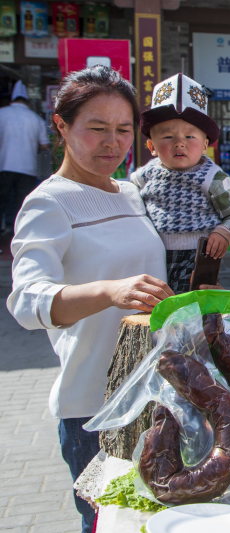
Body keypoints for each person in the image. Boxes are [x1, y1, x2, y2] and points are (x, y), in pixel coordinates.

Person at [6, 66, 177, 533]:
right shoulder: (50, 202)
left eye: (123, 130)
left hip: (153, 394)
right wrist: (109, 291)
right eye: (96, 129)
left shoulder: (130, 192)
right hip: (94, 409)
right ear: (61, 126)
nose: (112, 143)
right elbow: (27, 300)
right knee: (111, 523)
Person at [131, 73, 230, 293]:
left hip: (198, 258)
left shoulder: (212, 178)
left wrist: (224, 232)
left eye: (190, 137)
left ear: (205, 145)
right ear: (151, 147)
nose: (179, 143)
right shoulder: (144, 176)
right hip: (153, 257)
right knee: (156, 310)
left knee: (192, 312)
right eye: (167, 137)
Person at [0, 80, 50, 232]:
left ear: (12, 101)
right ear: (28, 102)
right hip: (28, 168)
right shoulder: (35, 118)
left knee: (1, 201)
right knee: (23, 204)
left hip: (4, 165)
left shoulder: (2, 113)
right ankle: (18, 232)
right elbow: (45, 145)